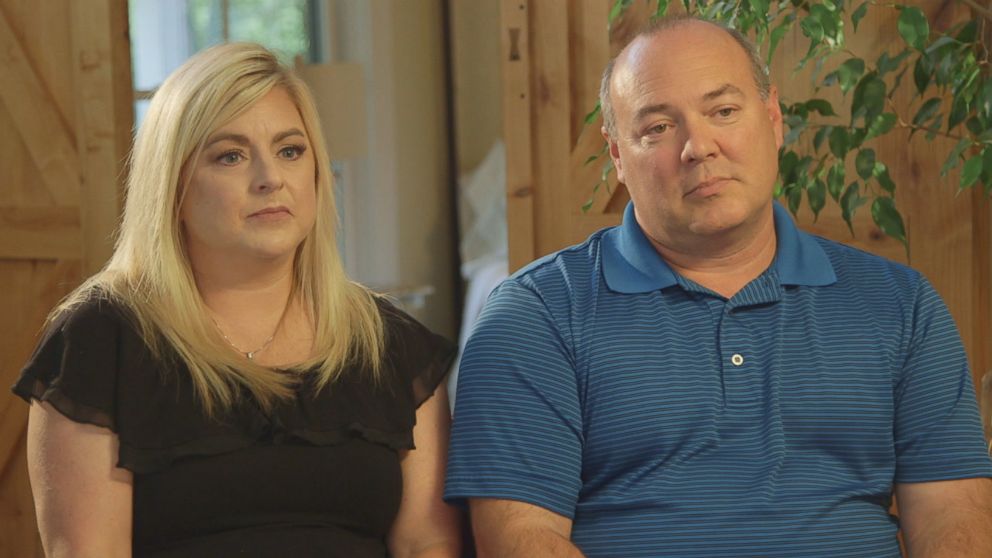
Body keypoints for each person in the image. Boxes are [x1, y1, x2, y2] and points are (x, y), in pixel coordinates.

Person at [445, 15, 992, 558]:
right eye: (658, 127)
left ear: (774, 118)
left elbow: (954, 516)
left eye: (723, 111)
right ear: (616, 156)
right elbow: (521, 540)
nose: (697, 147)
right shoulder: (534, 315)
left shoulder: (901, 304)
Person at [13, 42, 461, 558]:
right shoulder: (99, 339)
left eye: (291, 151)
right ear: (173, 187)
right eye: (231, 156)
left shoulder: (393, 344)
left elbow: (428, 543)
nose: (270, 178)